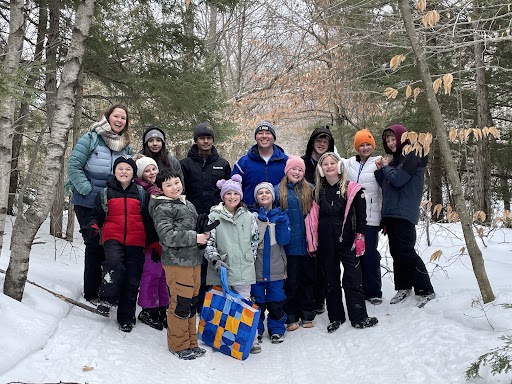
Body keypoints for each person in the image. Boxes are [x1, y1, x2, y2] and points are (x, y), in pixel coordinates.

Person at [67, 104, 132, 304]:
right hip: (87, 202)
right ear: (108, 117)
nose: (119, 120)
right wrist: (87, 190)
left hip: (110, 202)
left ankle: (108, 290)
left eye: (123, 118)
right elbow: (73, 166)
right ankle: (91, 292)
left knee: (109, 245)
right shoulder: (91, 138)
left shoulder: (125, 145)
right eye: (116, 116)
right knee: (94, 244)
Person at [306, 152, 378, 333]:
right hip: (325, 244)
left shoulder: (352, 189)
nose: (329, 167)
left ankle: (359, 317)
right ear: (321, 170)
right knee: (330, 281)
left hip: (348, 243)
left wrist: (360, 236)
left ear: (339, 166)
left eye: (332, 163)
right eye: (325, 164)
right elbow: (313, 219)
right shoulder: (317, 192)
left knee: (353, 280)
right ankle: (336, 317)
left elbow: (362, 217)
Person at [85, 156, 152, 333]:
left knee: (132, 279)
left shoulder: (141, 193)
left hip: (137, 241)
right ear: (114, 171)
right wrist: (93, 226)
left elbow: (147, 219)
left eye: (128, 169)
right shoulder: (105, 193)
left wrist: (152, 241)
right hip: (112, 238)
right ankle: (107, 298)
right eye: (120, 168)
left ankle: (126, 317)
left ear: (133, 173)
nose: (124, 172)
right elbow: (96, 215)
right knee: (113, 265)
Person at [149, 168, 208, 360]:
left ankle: (191, 342)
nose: (174, 187)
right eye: (168, 185)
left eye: (176, 182)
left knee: (191, 302)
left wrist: (203, 234)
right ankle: (178, 344)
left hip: (194, 260)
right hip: (177, 263)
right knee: (180, 303)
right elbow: (167, 236)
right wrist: (194, 236)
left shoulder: (186, 203)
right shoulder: (162, 207)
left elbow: (193, 231)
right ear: (160, 189)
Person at [374, 124, 435, 308]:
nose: (391, 143)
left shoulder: (414, 154)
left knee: (406, 252)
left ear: (403, 137)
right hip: (392, 213)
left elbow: (398, 180)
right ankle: (403, 287)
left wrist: (385, 168)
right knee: (396, 253)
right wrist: (380, 169)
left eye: (394, 139)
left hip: (405, 212)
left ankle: (426, 289)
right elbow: (385, 183)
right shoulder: (394, 162)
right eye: (388, 140)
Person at [203, 174, 261, 353]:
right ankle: (221, 337)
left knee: (243, 304)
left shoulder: (249, 217)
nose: (232, 197)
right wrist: (215, 259)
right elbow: (207, 242)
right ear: (223, 196)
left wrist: (247, 258)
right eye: (228, 194)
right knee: (224, 305)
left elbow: (254, 240)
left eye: (235, 194)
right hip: (222, 269)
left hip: (243, 269)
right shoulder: (213, 217)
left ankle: (248, 339)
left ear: (240, 196)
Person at [180, 122, 231, 312]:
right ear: (196, 140)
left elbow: (228, 193)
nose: (206, 141)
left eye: (209, 138)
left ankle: (214, 302)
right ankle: (196, 301)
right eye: (202, 138)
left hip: (216, 219)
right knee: (196, 261)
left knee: (215, 258)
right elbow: (181, 191)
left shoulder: (222, 164)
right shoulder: (185, 164)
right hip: (192, 219)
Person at [275, 156, 316, 331]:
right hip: (288, 246)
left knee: (307, 280)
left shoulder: (311, 190)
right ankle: (290, 315)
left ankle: (307, 313)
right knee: (290, 282)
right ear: (287, 170)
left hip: (307, 244)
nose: (297, 172)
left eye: (300, 170)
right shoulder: (278, 191)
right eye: (294, 169)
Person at [343, 129, 383, 305]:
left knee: (370, 255)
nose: (365, 148)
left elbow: (385, 187)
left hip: (371, 218)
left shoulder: (379, 163)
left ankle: (373, 291)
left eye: (368, 144)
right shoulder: (349, 163)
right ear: (356, 147)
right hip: (352, 219)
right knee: (354, 256)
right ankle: (358, 289)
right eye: (361, 145)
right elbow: (331, 161)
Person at [251, 182, 290, 344]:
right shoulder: (251, 216)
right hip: (257, 269)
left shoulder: (280, 215)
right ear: (256, 197)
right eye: (261, 193)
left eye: (268, 192)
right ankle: (256, 330)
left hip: (276, 268)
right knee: (257, 302)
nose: (264, 195)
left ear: (273, 197)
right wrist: (259, 224)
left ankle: (277, 328)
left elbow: (284, 240)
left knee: (276, 301)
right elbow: (250, 241)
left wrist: (281, 225)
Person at [301, 125, 335, 315]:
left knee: (323, 258)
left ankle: (320, 298)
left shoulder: (331, 163)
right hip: (305, 215)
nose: (321, 144)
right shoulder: (303, 163)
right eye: (318, 141)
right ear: (312, 143)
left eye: (325, 141)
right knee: (307, 259)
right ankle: (307, 297)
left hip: (325, 216)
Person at [133, 155, 169, 331]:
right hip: (150, 242)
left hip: (163, 242)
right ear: (141, 174)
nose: (151, 172)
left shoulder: (159, 188)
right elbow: (146, 219)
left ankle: (162, 307)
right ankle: (148, 309)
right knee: (151, 275)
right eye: (147, 171)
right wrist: (153, 241)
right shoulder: (143, 191)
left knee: (163, 276)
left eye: (153, 169)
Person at [232, 121, 288, 206]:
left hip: (279, 214)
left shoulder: (286, 161)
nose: (264, 136)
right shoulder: (243, 163)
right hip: (249, 214)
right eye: (260, 133)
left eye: (268, 133)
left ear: (274, 137)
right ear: (256, 137)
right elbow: (233, 189)